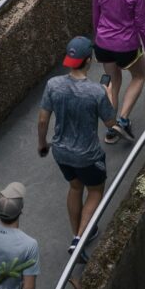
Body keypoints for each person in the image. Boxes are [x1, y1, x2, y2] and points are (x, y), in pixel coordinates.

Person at [38, 35, 116, 240]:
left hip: (61, 152)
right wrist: (108, 96)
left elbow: (43, 121)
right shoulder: (96, 91)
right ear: (89, 61)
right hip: (88, 155)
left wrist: (42, 144)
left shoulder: (53, 85)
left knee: (74, 186)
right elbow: (110, 123)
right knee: (96, 191)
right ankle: (79, 239)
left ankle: (77, 232)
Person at [91, 0, 145, 143]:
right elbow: (142, 23)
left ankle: (110, 128)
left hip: (103, 43)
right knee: (139, 76)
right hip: (126, 45)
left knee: (113, 81)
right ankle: (123, 121)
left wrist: (97, 38)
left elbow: (96, 15)